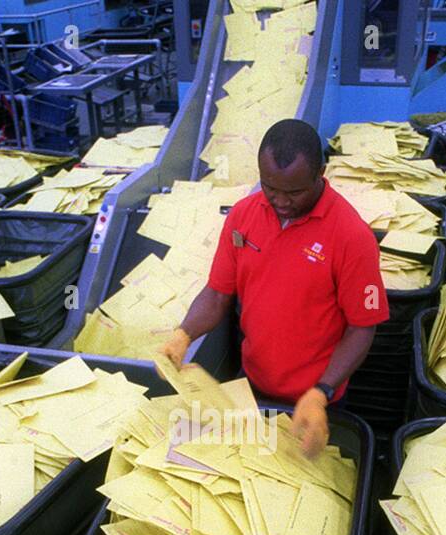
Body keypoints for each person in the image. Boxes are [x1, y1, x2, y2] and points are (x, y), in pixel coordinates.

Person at [157, 118, 387, 457]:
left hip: (316, 402)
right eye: (270, 188)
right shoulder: (243, 215)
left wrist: (321, 392)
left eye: (294, 192)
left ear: (320, 173)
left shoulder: (352, 236)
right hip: (252, 386)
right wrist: (183, 335)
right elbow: (218, 293)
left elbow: (362, 328)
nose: (280, 201)